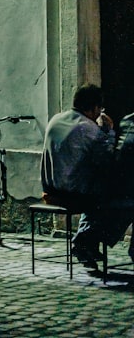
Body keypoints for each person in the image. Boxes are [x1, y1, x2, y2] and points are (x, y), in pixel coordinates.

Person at [40, 84, 126, 270]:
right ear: (93, 107)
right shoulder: (87, 128)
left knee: (98, 191)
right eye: (99, 109)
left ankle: (88, 246)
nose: (98, 113)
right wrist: (108, 130)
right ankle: (85, 241)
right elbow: (107, 158)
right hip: (72, 195)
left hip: (50, 189)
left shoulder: (56, 119)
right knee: (120, 201)